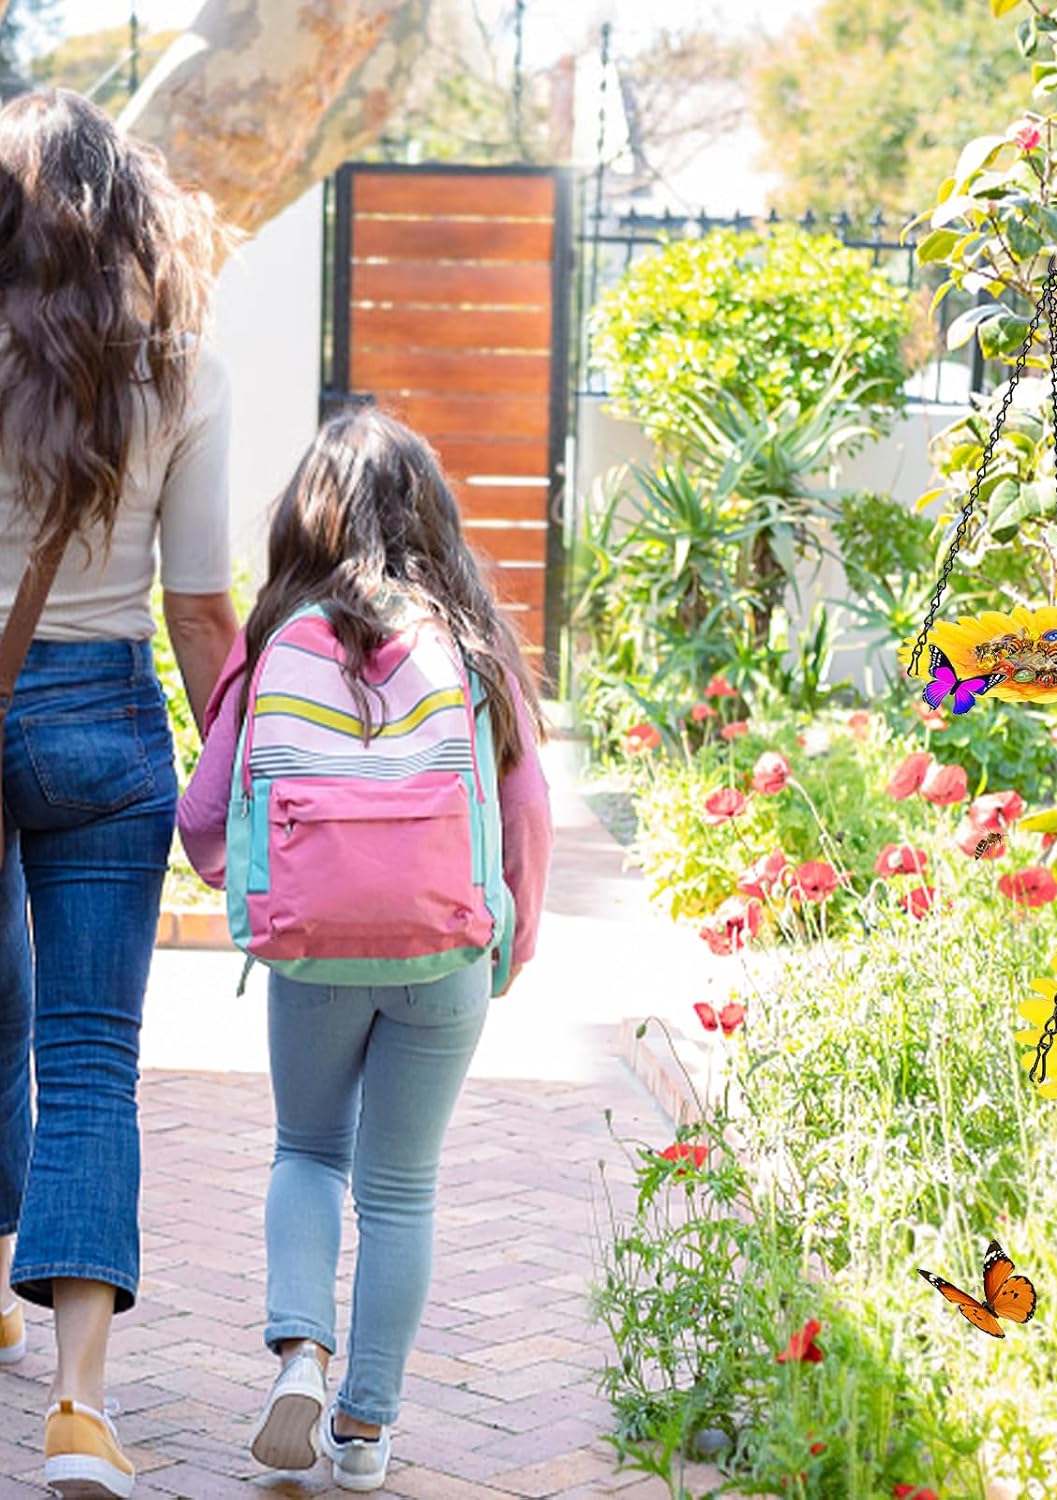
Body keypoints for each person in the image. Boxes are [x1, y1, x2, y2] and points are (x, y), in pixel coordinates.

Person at [177, 408, 552, 1491]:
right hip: (445, 956)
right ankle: (364, 1431)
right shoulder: (474, 637)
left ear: (309, 512)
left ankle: (300, 1351)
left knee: (307, 1151)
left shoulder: (275, 635)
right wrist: (512, 938)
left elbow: (206, 815)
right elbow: (524, 812)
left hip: (313, 954)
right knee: (400, 1190)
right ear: (432, 513)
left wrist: (261, 879)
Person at [0, 90, 237, 1500]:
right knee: (87, 1056)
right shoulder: (183, 369)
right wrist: (236, 765)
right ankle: (81, 1410)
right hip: (102, 716)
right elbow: (201, 606)